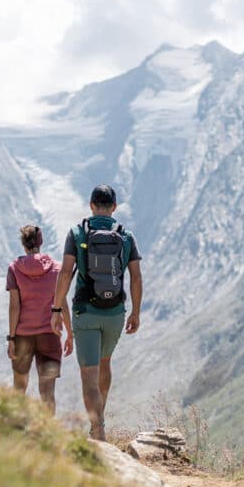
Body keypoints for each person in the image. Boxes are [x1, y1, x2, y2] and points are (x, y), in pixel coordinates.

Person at [51, 184, 142, 441]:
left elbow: (65, 272)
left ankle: (98, 430)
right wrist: (136, 312)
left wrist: (57, 308)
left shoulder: (77, 233)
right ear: (114, 207)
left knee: (88, 376)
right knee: (105, 364)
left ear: (91, 205)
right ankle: (100, 419)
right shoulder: (126, 237)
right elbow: (136, 277)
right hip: (115, 313)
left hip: (85, 312)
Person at [6, 224, 72, 414]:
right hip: (49, 337)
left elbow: (14, 306)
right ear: (41, 242)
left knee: (19, 387)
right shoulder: (56, 270)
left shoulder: (14, 269)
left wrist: (11, 338)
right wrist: (70, 333)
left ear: (23, 244)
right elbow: (63, 305)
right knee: (47, 392)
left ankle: (14, 430)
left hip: (22, 336)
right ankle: (49, 438)